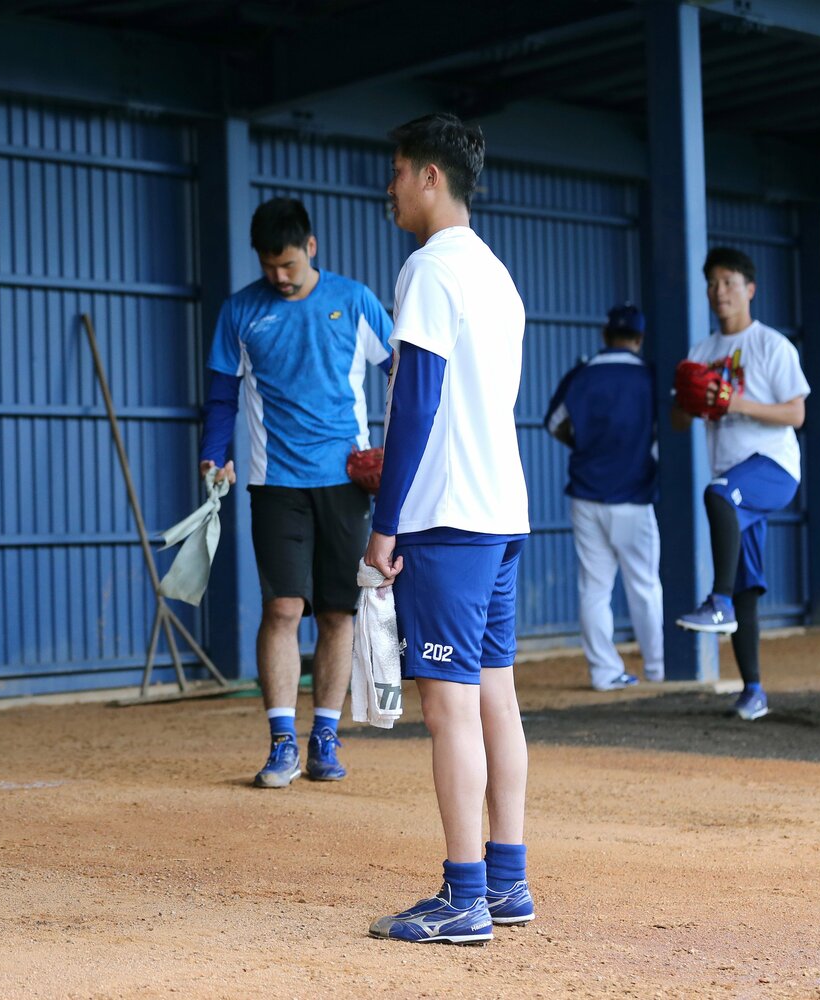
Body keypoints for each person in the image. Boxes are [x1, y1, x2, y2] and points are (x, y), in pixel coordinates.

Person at [362, 113, 531, 945]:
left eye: (396, 171)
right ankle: (507, 882)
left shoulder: (429, 269)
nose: (388, 186)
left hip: (447, 516)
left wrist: (385, 527)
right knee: (496, 697)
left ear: (431, 176)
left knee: (449, 710)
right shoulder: (498, 275)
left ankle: (463, 897)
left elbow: (417, 401)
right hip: (501, 511)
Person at [199, 197, 394, 788]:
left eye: (287, 263)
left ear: (310, 248)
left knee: (339, 612)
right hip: (273, 481)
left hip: (345, 481)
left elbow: (401, 373)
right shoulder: (240, 311)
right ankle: (282, 740)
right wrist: (216, 452)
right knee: (283, 607)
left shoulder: (354, 301)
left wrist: (397, 452)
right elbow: (221, 395)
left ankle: (325, 739)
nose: (278, 276)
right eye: (268, 266)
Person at [672, 247, 808, 722]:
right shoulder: (702, 351)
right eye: (712, 283)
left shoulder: (772, 345)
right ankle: (754, 692)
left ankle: (717, 601)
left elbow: (796, 412)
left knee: (718, 494)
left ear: (750, 289)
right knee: (747, 585)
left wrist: (735, 403)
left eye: (729, 282)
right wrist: (692, 398)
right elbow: (676, 421)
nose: (719, 291)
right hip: (735, 480)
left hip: (773, 467)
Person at [543, 304, 665, 690]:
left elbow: (554, 423)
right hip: (635, 495)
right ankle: (660, 669)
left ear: (604, 334)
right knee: (644, 586)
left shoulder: (583, 374)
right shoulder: (650, 376)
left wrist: (585, 445)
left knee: (595, 587)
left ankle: (604, 672)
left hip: (587, 493)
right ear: (640, 339)